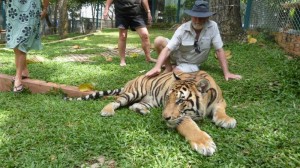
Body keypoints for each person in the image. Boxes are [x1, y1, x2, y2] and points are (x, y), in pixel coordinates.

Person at [146, 0, 242, 81]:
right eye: (195, 17)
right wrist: (157, 67)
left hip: (190, 62)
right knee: (158, 40)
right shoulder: (182, 29)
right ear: (191, 16)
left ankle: (176, 68)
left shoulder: (213, 26)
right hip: (177, 54)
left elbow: (219, 50)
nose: (197, 20)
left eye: (201, 17)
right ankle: (168, 68)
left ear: (207, 17)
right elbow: (167, 49)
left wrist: (227, 72)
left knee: (177, 74)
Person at [5, 0, 49, 92]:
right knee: (15, 39)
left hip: (30, 6)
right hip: (13, 6)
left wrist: (45, 8)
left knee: (22, 41)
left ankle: (18, 78)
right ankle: (24, 71)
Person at [103, 0, 156, 66]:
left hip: (136, 13)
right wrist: (106, 9)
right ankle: (122, 60)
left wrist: (148, 11)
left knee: (145, 35)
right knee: (122, 36)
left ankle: (148, 58)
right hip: (121, 13)